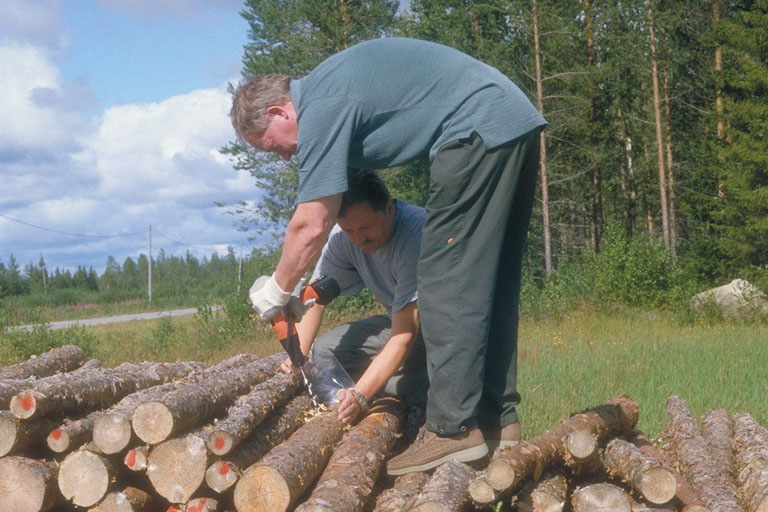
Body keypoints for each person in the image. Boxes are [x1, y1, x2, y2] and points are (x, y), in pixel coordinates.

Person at [232, 37, 547, 475]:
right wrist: (298, 344)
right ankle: (496, 420)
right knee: (488, 280)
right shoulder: (331, 90)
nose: (284, 156)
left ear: (278, 112)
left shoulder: (319, 107)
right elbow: (324, 259)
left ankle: (452, 430)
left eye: (273, 145)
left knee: (443, 276)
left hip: (475, 131)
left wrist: (277, 289)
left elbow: (311, 223)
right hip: (509, 121)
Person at [281, 170, 428, 425]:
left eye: (366, 227)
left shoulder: (415, 233)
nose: (359, 238)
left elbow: (404, 336)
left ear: (389, 209)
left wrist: (360, 395)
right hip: (402, 320)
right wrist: (298, 356)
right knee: (326, 350)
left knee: (423, 378)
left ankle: (415, 395)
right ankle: (374, 392)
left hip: (445, 328)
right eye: (350, 230)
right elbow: (315, 300)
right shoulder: (343, 238)